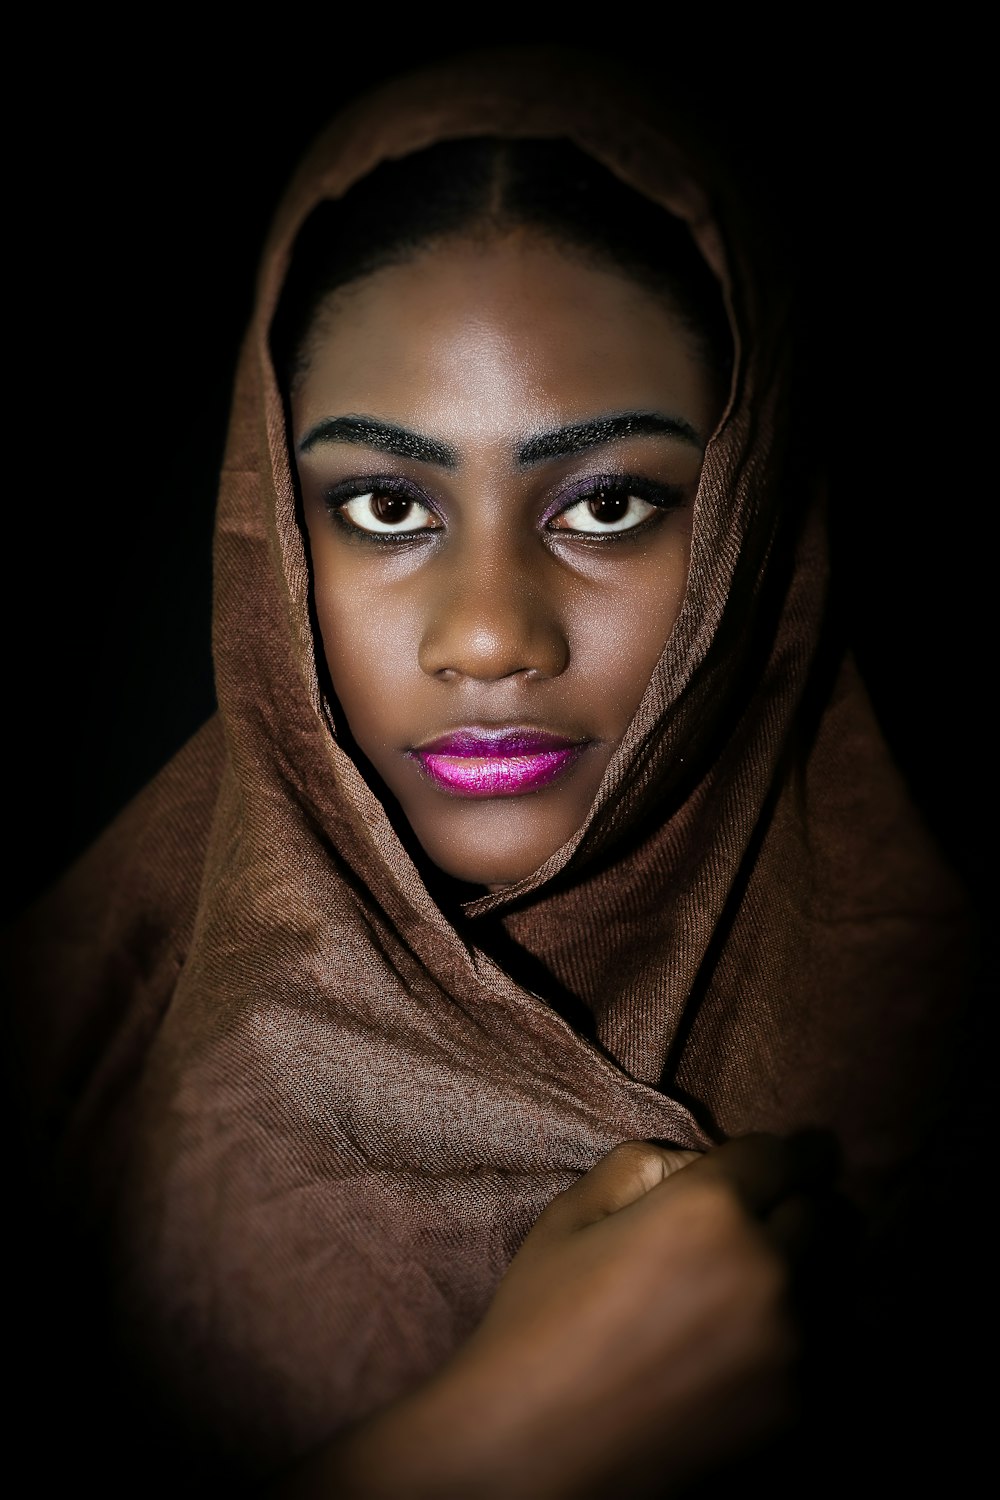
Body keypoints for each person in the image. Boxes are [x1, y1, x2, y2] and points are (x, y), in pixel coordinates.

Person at [6, 47, 973, 1498]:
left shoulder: (938, 1041)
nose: (488, 638)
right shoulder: (68, 1036)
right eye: (387, 505)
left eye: (609, 503)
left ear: (751, 518)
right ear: (277, 532)